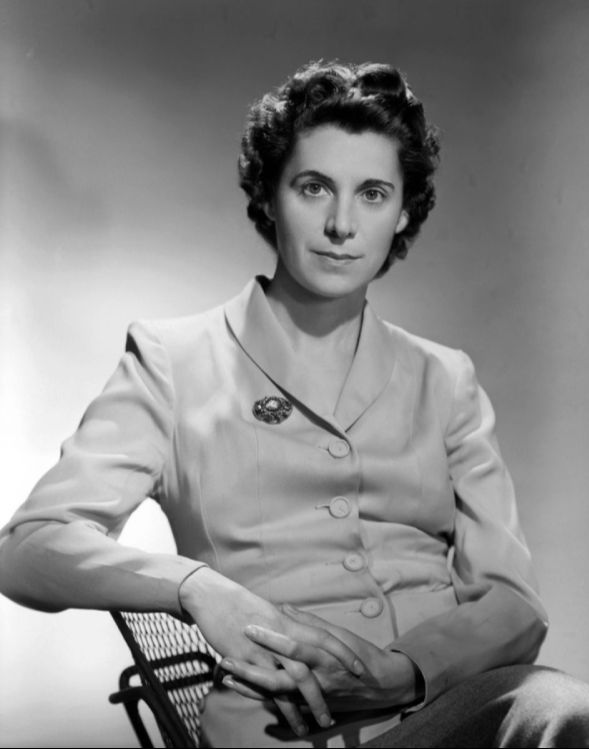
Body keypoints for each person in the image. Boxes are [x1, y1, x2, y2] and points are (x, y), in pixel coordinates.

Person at [0, 59, 588, 748]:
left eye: (372, 194)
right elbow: (28, 546)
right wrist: (197, 588)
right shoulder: (171, 362)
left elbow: (512, 601)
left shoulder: (446, 378)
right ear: (270, 195)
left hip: (447, 714)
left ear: (402, 212)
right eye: (314, 188)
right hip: (279, 730)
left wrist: (406, 672)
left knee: (560, 708)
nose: (341, 224)